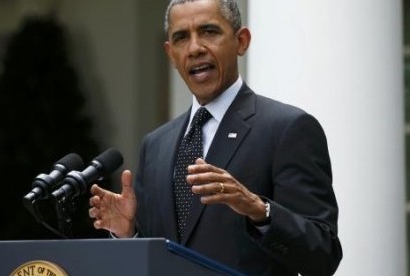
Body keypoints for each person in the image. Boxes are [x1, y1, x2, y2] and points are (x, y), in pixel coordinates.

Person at [88, 0, 343, 275]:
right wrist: (127, 235)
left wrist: (258, 210)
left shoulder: (287, 129)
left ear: (241, 41)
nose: (195, 48)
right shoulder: (156, 145)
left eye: (209, 31)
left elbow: (323, 255)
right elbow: (161, 256)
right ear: (171, 53)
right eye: (182, 37)